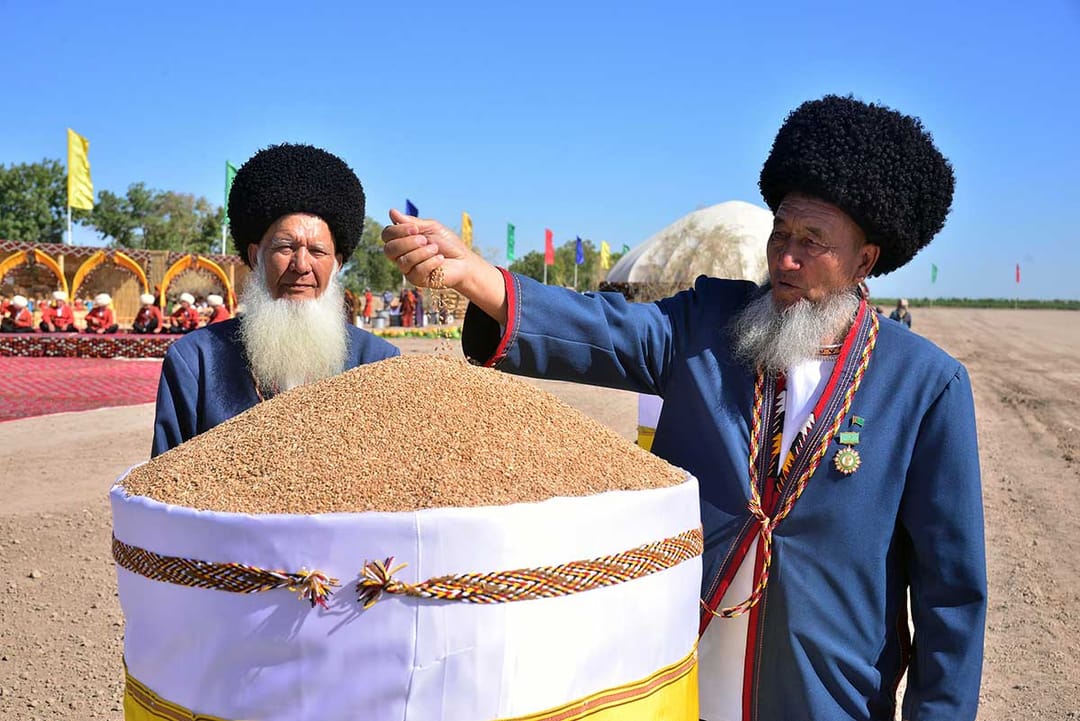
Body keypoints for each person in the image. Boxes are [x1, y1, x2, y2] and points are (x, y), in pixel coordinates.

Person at [383, 95, 986, 720]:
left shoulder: (925, 385)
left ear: (865, 260)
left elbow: (952, 599)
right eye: (781, 233)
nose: (785, 257)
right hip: (681, 679)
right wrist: (475, 277)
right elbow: (602, 329)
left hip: (825, 696)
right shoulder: (708, 324)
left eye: (813, 242)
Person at [152, 143, 400, 456]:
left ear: (337, 264)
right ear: (256, 256)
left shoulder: (378, 362)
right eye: (285, 247)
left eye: (318, 251)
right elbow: (160, 488)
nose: (301, 265)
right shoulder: (195, 361)